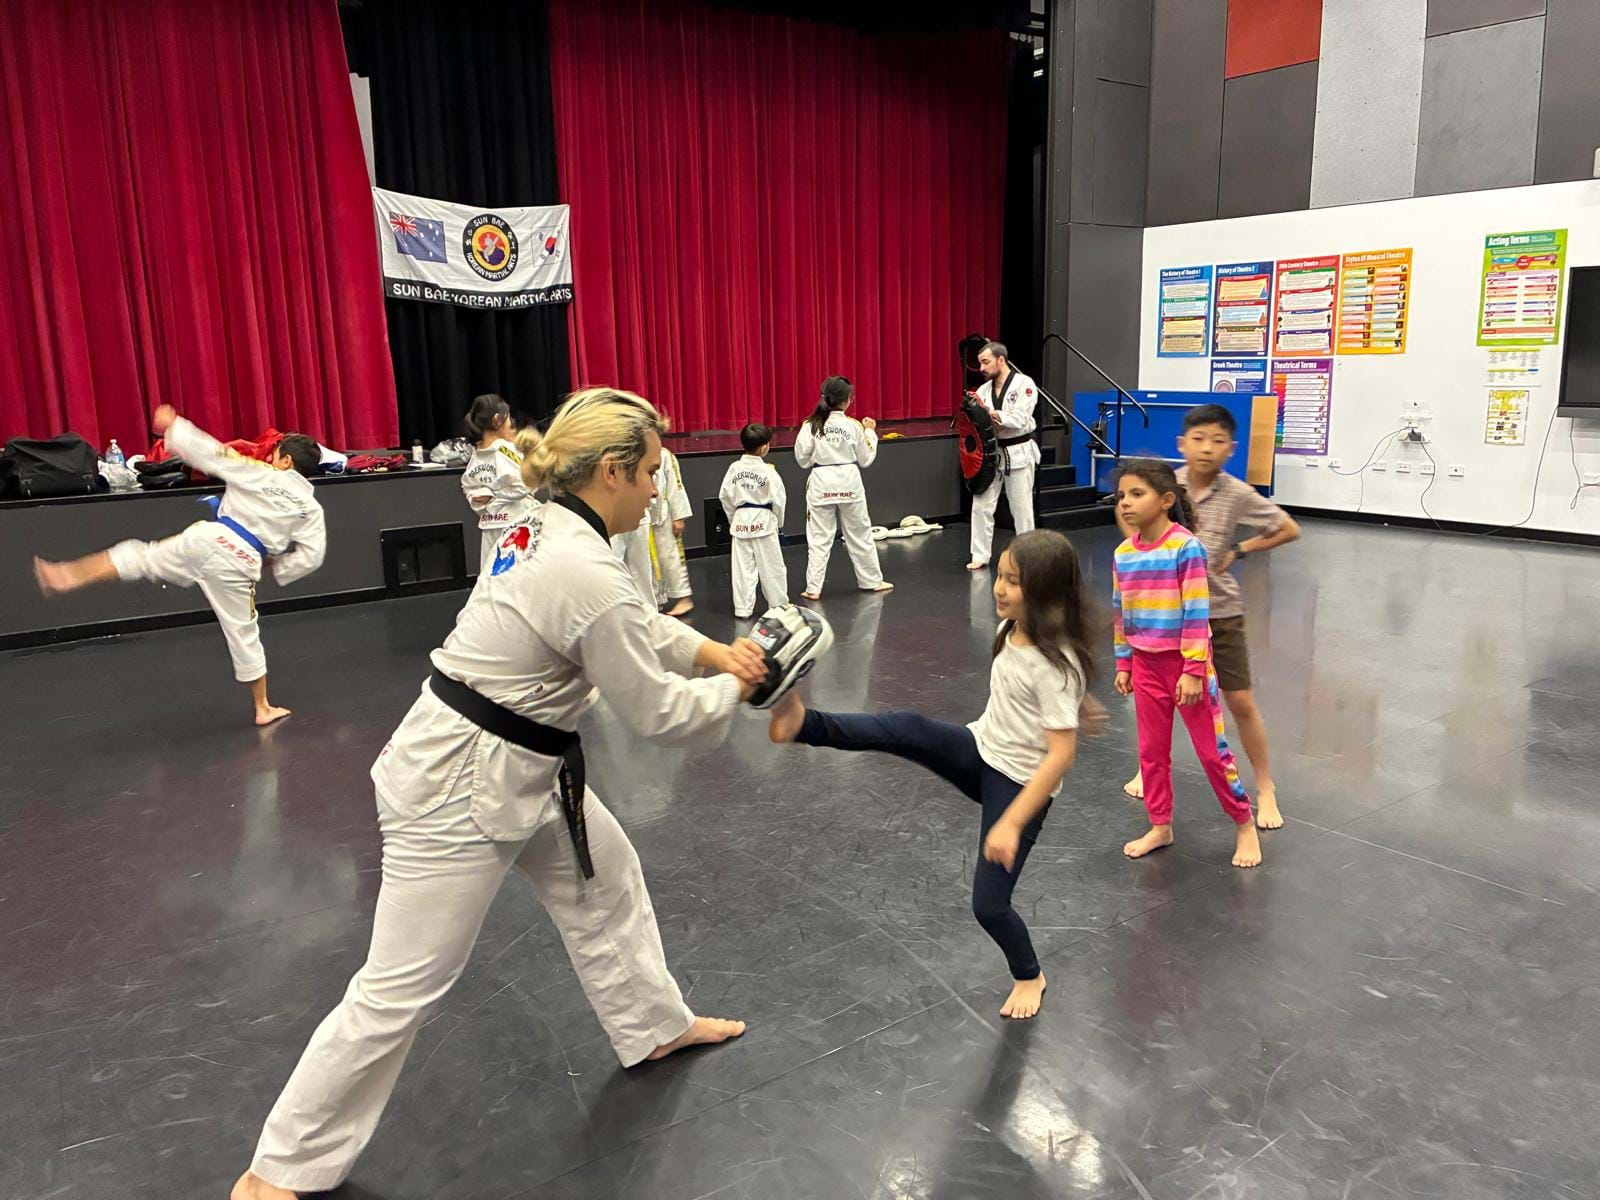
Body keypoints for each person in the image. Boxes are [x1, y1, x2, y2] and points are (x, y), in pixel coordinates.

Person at [231, 388, 766, 1200]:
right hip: (457, 782)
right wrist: (745, 686)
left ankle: (654, 1027)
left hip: (525, 762)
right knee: (403, 983)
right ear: (614, 471)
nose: (660, 489)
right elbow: (661, 717)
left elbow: (636, 625)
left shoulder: (550, 521)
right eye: (653, 472)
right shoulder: (582, 564)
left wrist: (715, 655)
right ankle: (278, 1168)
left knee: (608, 884)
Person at [769, 529, 1098, 1020]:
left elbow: (1060, 756)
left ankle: (1029, 974)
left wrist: (1010, 822)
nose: (999, 588)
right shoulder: (1012, 630)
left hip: (1019, 787)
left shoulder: (1058, 665)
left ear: (1045, 592)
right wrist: (1075, 704)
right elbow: (1043, 690)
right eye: (1001, 576)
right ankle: (802, 723)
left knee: (989, 907)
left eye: (1013, 581)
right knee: (906, 728)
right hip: (981, 749)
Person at [33, 405, 325, 727]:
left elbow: (213, 454)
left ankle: (67, 574)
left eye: (275, 455)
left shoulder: (260, 473)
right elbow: (313, 555)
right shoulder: (311, 509)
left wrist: (175, 427)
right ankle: (262, 707)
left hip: (210, 538)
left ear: (285, 462)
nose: (270, 458)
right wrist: (278, 565)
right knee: (243, 632)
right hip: (242, 561)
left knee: (142, 556)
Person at [1120, 405, 1300, 829]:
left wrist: (1240, 551)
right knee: (1158, 701)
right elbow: (1129, 514)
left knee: (1239, 701)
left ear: (1231, 449)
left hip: (1218, 613)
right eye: (1198, 438)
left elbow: (1288, 528)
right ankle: (1149, 772)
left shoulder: (1237, 493)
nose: (1207, 448)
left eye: (1218, 441)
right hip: (1167, 618)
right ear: (1182, 444)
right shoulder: (1166, 485)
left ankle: (1265, 787)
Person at [1111, 458, 1261, 870]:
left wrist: (1194, 670)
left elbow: (1197, 612)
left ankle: (1243, 821)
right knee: (1151, 752)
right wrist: (1124, 662)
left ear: (1165, 500)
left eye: (1136, 494)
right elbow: (1121, 612)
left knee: (1212, 753)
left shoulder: (1185, 548)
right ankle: (1160, 825)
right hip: (1144, 666)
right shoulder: (1124, 554)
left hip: (1184, 664)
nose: (1125, 503)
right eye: (1122, 495)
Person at [793, 375, 893, 600]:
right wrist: (870, 432)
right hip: (849, 481)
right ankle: (872, 581)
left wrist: (818, 461)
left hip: (821, 480)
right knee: (859, 534)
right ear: (848, 400)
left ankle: (813, 588)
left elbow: (802, 459)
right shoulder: (854, 426)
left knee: (819, 539)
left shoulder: (811, 425)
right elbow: (865, 459)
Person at [966, 341, 1040, 572]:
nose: (981, 368)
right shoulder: (982, 391)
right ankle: (980, 555)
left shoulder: (1025, 384)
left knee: (1021, 507)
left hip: (1018, 451)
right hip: (991, 453)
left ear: (1001, 360)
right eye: (980, 363)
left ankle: (1027, 555)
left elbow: (1019, 419)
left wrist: (991, 414)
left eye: (986, 362)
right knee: (981, 505)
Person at [460, 393, 539, 572]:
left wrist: (482, 500)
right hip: (517, 525)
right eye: (509, 418)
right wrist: (495, 500)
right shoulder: (507, 450)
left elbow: (468, 486)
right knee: (519, 576)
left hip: (491, 525)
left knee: (493, 575)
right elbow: (525, 484)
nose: (511, 423)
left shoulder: (476, 453)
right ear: (498, 420)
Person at [719, 422, 789, 619]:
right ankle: (778, 605)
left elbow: (725, 497)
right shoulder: (769, 471)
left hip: (740, 521)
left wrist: (734, 518)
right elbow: (779, 500)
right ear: (765, 446)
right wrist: (778, 522)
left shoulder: (734, 468)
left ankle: (742, 609)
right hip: (764, 521)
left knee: (742, 569)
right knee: (772, 566)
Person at [650, 433, 695, 616]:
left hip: (664, 514)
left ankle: (684, 598)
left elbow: (676, 486)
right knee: (646, 562)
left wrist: (678, 516)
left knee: (670, 557)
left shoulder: (664, 455)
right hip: (641, 516)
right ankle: (655, 598)